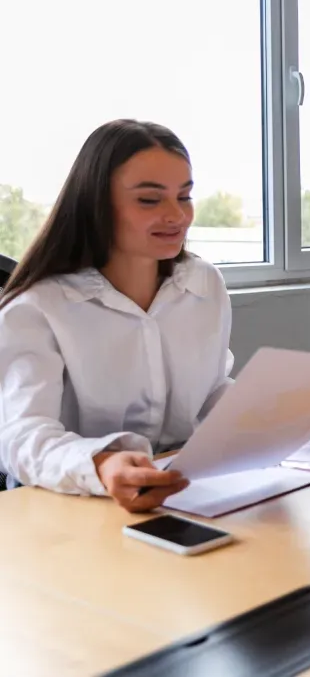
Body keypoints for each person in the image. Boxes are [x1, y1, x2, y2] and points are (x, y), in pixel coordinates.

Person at [0, 119, 234, 512]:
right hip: (67, 509)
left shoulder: (204, 284)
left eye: (185, 196)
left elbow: (210, 392)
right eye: (150, 200)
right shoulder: (38, 307)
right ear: (95, 205)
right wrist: (101, 465)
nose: (177, 215)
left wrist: (276, 419)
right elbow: (22, 437)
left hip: (181, 495)